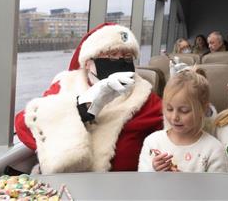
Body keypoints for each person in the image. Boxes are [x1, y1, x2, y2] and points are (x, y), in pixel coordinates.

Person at [15, 23, 163, 174]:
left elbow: (173, 131)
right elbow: (25, 125)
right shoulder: (65, 86)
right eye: (112, 55)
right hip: (66, 183)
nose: (121, 61)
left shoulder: (144, 97)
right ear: (88, 63)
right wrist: (80, 108)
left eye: (127, 56)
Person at [138, 67, 228, 172]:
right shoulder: (153, 142)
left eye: (184, 111)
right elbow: (143, 182)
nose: (174, 117)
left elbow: (217, 187)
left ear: (203, 109)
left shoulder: (213, 149)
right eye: (169, 109)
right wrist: (154, 170)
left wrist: (184, 181)